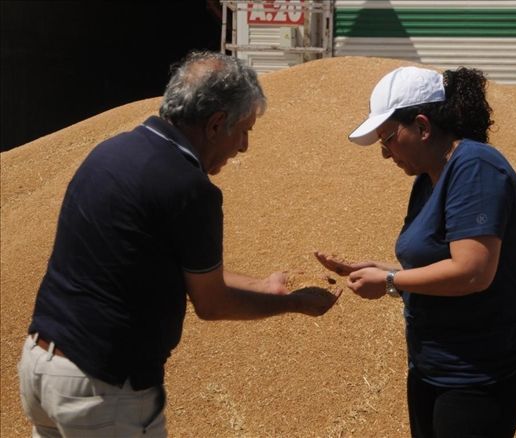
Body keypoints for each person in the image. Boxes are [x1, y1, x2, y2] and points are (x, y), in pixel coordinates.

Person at [18, 50, 341, 437]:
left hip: (41, 366)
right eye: (244, 130)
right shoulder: (188, 188)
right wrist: (291, 303)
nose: (243, 147)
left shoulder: (111, 153)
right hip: (100, 388)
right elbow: (212, 303)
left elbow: (174, 268)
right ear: (216, 124)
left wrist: (262, 285)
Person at [315, 66, 516, 437]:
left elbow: (472, 271)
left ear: (422, 125)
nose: (385, 154)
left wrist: (389, 281)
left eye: (388, 139)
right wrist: (379, 269)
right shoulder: (427, 179)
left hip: (478, 378)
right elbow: (440, 266)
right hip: (434, 370)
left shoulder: (475, 166)